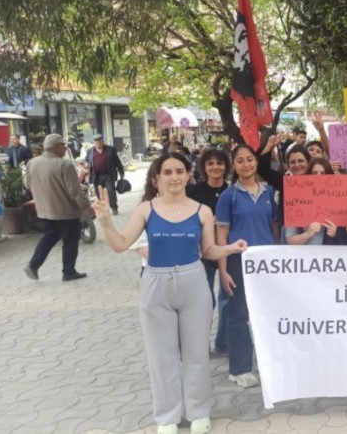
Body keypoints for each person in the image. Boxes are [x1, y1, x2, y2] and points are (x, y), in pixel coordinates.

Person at [92, 152, 246, 434]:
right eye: (167, 172)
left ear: (188, 175)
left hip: (193, 283)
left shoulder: (202, 211)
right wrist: (105, 221)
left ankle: (199, 411)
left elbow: (208, 250)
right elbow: (120, 244)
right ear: (157, 178)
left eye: (179, 171)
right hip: (155, 284)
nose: (174, 177)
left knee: (196, 353)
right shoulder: (146, 209)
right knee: (161, 356)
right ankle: (167, 415)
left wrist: (230, 248)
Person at [216, 145, 278, 388]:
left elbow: (274, 227)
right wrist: (223, 270)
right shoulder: (228, 196)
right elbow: (222, 236)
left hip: (266, 262)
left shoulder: (269, 192)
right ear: (234, 165)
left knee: (266, 313)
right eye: (240, 161)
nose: (246, 165)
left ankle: (266, 363)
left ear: (256, 162)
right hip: (238, 261)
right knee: (238, 315)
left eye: (250, 159)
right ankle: (240, 368)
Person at [23, 134, 91, 282]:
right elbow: (75, 192)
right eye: (63, 145)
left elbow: (27, 185)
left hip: (43, 210)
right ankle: (69, 271)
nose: (65, 148)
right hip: (66, 212)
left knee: (50, 236)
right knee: (70, 241)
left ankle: (33, 265)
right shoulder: (65, 165)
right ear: (55, 147)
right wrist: (87, 207)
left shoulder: (32, 163)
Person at [186, 148, 231, 354]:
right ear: (203, 167)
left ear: (226, 166)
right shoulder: (193, 193)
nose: (215, 167)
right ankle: (200, 346)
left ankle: (223, 343)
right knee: (204, 301)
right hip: (201, 252)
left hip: (226, 251)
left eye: (219, 163)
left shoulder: (231, 191)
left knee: (228, 298)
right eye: (210, 163)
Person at [86, 134, 124, 215]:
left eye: (100, 141)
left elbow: (117, 161)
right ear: (94, 142)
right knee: (98, 193)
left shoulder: (111, 149)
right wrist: (86, 165)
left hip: (108, 175)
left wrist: (121, 172)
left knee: (111, 191)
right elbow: (86, 161)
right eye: (96, 141)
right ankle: (102, 208)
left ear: (103, 141)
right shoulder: (90, 151)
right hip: (96, 176)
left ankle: (114, 207)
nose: (98, 143)